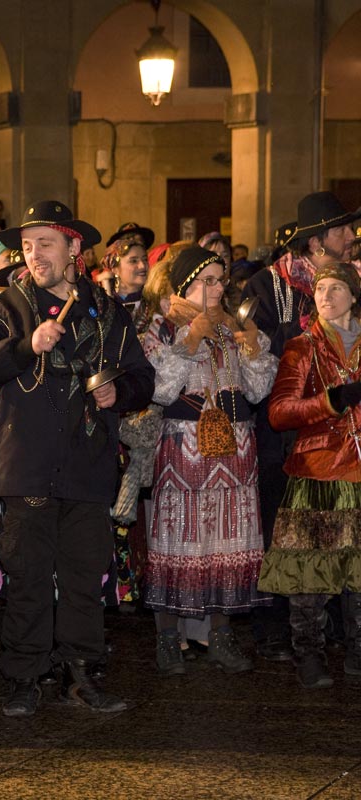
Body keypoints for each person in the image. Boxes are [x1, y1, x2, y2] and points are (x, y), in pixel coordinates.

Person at [0, 201, 155, 717]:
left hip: (89, 460)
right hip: (27, 460)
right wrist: (27, 344)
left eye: (45, 243)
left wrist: (122, 393)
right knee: (26, 575)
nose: (33, 253)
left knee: (82, 577)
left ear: (74, 248)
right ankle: (25, 676)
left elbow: (142, 378)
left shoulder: (107, 311)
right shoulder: (8, 307)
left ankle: (81, 673)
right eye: (26, 245)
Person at [144, 246, 277, 676]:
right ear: (184, 285)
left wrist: (254, 348)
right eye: (209, 280)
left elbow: (257, 391)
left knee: (229, 541)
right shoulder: (161, 328)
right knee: (178, 539)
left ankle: (220, 635)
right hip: (185, 446)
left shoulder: (233, 326)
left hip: (236, 446)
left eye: (221, 280)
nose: (219, 288)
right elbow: (160, 391)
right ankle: (167, 639)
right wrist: (189, 340)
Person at [242, 193, 361, 663]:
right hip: (294, 445)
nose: (351, 237)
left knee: (348, 553)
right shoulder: (267, 285)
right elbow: (263, 363)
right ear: (317, 242)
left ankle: (345, 638)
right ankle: (284, 636)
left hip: (349, 455)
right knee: (296, 550)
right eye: (342, 230)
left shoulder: (352, 285)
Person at [261, 262, 361, 689]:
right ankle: (310, 653)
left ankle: (357, 652)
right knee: (309, 575)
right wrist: (332, 401)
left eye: (337, 288)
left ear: (353, 296)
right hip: (317, 472)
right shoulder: (303, 347)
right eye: (321, 288)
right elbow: (279, 413)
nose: (326, 295)